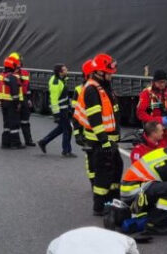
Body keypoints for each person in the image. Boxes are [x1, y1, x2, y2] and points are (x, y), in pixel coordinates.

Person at [118, 136, 167, 234]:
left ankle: (154, 215)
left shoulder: (166, 153)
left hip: (132, 188)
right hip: (133, 192)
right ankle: (155, 224)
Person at [78, 53, 122, 215]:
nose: (111, 75)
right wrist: (104, 141)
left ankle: (113, 200)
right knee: (103, 175)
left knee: (116, 170)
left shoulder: (103, 86)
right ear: (99, 72)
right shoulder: (92, 89)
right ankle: (100, 206)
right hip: (100, 141)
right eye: (109, 73)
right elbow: (95, 120)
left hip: (109, 140)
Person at [38, 63, 75, 156]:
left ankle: (43, 142)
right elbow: (54, 100)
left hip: (64, 109)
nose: (67, 70)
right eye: (65, 69)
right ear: (60, 72)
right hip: (60, 111)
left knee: (61, 128)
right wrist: (56, 115)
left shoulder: (61, 79)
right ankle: (66, 151)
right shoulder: (56, 82)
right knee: (67, 129)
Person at [136, 70, 167, 148]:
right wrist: (159, 120)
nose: (162, 84)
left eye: (164, 82)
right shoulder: (147, 93)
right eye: (160, 82)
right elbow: (140, 113)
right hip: (153, 131)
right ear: (154, 82)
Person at [72, 60, 96, 191]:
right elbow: (76, 115)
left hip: (104, 132)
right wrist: (77, 133)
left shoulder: (104, 88)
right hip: (88, 131)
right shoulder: (79, 90)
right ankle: (94, 182)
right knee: (91, 159)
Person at [0, 55, 24, 149]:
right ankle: (15, 143)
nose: (17, 67)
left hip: (3, 102)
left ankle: (5, 143)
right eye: (16, 65)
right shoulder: (12, 77)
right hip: (11, 102)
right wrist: (18, 103)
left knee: (7, 123)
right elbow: (15, 92)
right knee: (14, 123)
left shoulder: (2, 75)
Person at [10, 52, 36, 146]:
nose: (20, 63)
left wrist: (29, 99)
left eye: (20, 61)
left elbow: (27, 87)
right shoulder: (8, 74)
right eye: (19, 61)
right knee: (14, 122)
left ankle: (28, 140)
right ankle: (14, 141)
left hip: (24, 98)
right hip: (14, 100)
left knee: (25, 121)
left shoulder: (25, 73)